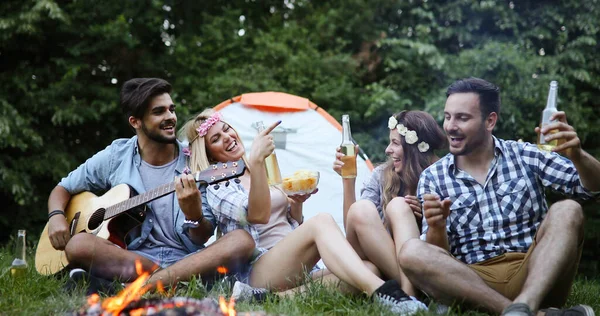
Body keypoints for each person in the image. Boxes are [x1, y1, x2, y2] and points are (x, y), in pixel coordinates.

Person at [180, 109, 428, 315]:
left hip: (292, 266)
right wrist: (256, 162)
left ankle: (264, 299)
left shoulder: (259, 170)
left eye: (226, 129)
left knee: (367, 269)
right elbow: (257, 215)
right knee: (322, 222)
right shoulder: (218, 184)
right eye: (216, 139)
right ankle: (387, 294)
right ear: (209, 154)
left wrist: (296, 204)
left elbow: (289, 223)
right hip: (258, 267)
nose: (227, 137)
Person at [397, 77, 598, 316]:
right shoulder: (433, 177)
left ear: (489, 121)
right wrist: (437, 226)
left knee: (568, 209)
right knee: (411, 251)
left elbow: (592, 189)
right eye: (448, 116)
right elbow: (439, 256)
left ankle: (526, 304)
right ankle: (522, 312)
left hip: (536, 274)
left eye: (462, 118)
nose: (450, 126)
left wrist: (577, 155)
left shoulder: (524, 155)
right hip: (473, 281)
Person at [46, 78, 255, 290]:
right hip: (130, 259)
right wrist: (56, 217)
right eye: (159, 112)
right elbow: (62, 188)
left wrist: (195, 215)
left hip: (186, 261)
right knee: (78, 244)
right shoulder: (116, 156)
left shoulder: (196, 163)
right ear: (135, 122)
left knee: (241, 240)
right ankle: (167, 283)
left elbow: (201, 237)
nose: (170, 117)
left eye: (171, 109)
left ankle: (139, 286)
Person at [333, 110, 446, 298]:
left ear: (415, 147)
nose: (387, 150)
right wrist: (348, 180)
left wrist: (426, 217)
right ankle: (411, 297)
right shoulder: (382, 175)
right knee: (362, 208)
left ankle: (408, 297)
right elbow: (354, 226)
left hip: (426, 266)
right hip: (382, 262)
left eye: (395, 143)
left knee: (398, 206)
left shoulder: (442, 177)